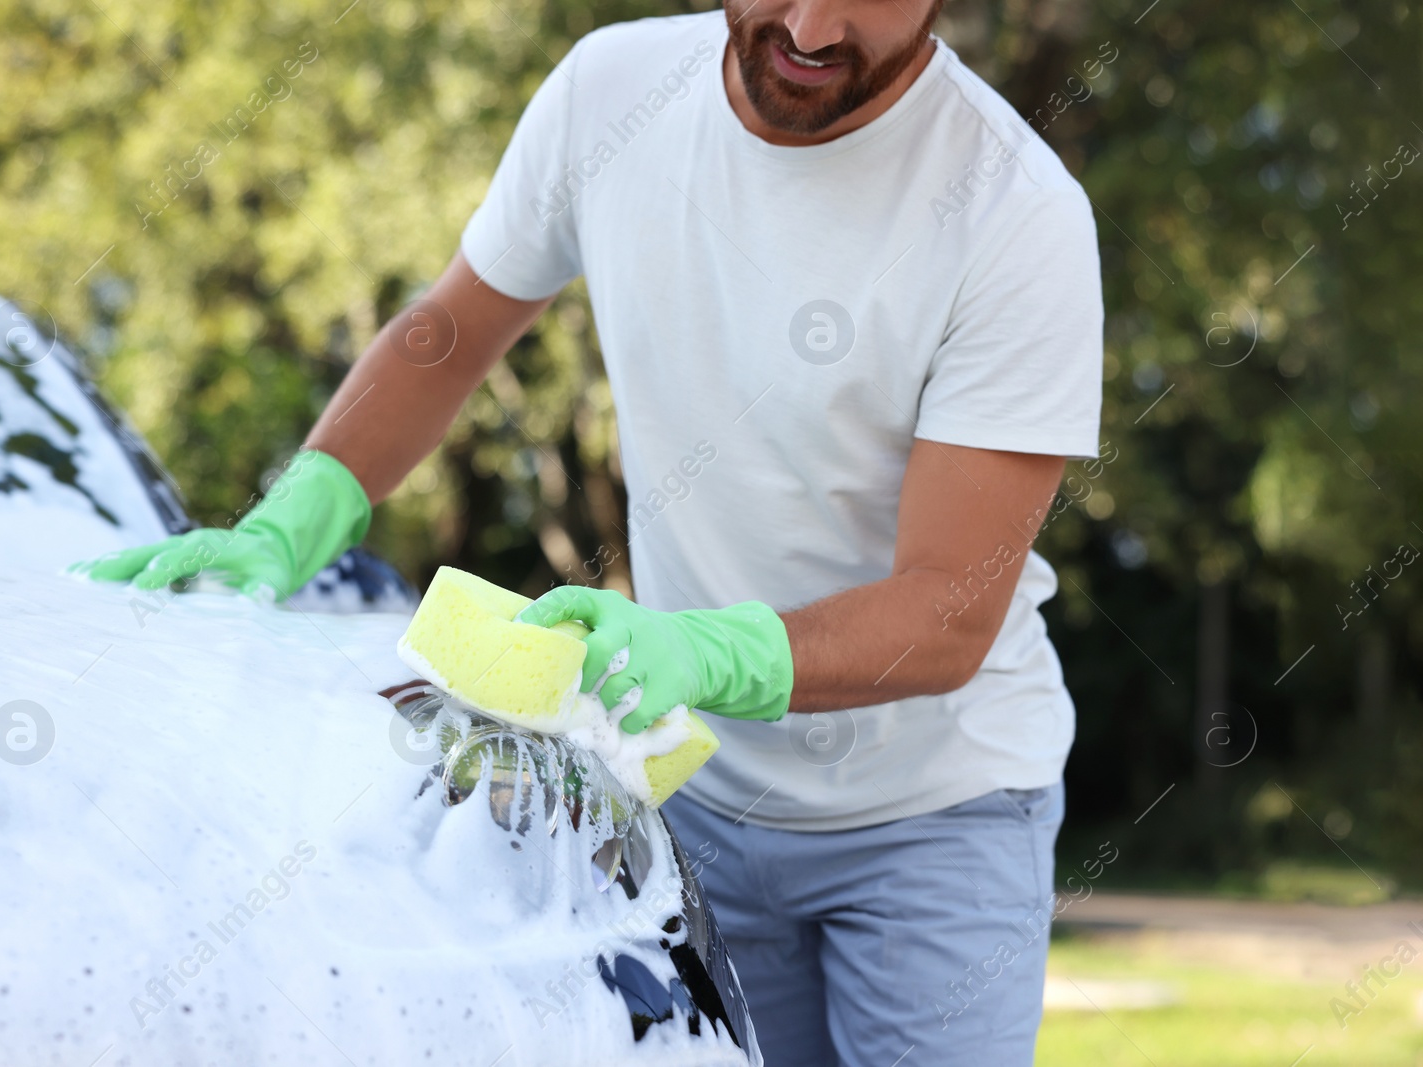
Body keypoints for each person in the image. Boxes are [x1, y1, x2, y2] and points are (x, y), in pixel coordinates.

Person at [78, 1, 1103, 1063]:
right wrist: (295, 518)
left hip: (931, 814)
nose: (807, 25)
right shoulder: (610, 92)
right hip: (691, 795)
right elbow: (453, 332)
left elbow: (947, 607)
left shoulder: (1013, 213)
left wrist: (706, 649)